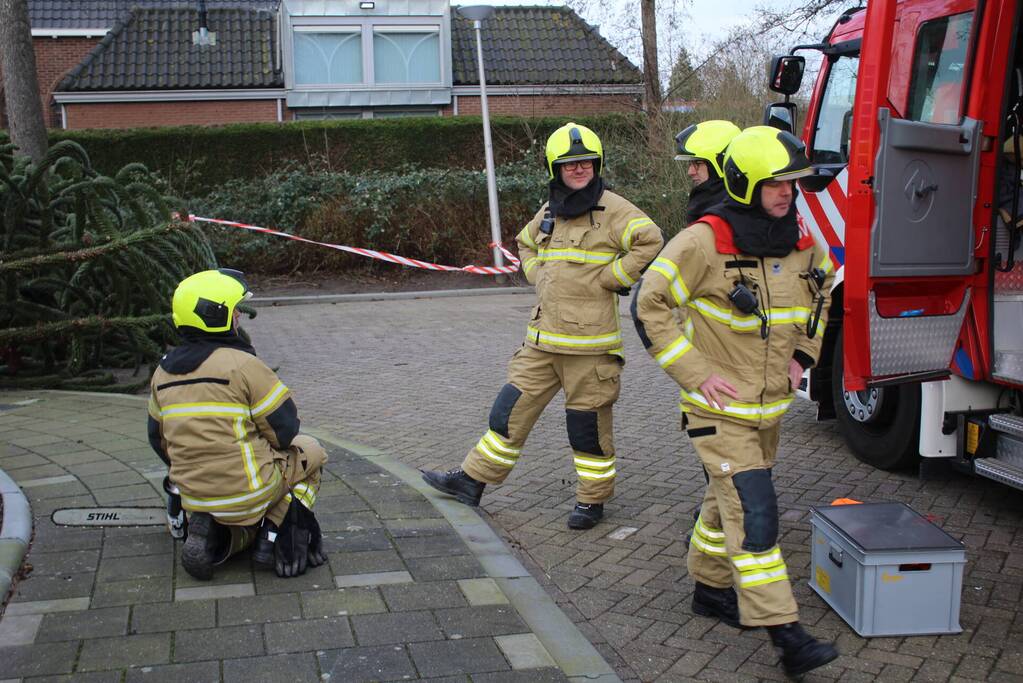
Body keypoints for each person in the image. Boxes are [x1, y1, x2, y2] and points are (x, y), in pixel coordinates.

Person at [632, 126, 838, 677]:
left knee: (726, 502)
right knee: (755, 512)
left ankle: (708, 587)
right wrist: (693, 372)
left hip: (768, 411)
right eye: (776, 184)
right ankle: (787, 635)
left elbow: (821, 298)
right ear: (745, 182)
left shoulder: (799, 243)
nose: (787, 194)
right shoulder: (703, 241)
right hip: (717, 412)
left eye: (793, 184)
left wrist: (805, 360)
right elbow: (649, 304)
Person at [421, 122, 663, 529]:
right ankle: (472, 480)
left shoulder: (615, 209)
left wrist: (615, 278)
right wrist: (537, 273)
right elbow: (525, 242)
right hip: (541, 344)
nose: (579, 169)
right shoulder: (551, 209)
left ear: (597, 163)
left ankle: (592, 500)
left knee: (587, 429)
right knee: (507, 414)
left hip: (590, 348)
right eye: (570, 164)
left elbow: (650, 239)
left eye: (585, 162)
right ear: (556, 169)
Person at [147, 269, 329, 580]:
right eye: (234, 312)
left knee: (234, 516)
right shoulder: (243, 365)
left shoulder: (162, 374)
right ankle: (272, 532)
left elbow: (157, 439)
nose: (238, 320)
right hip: (249, 492)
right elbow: (285, 431)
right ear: (216, 316)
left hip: (192, 494)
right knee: (312, 451)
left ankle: (215, 535)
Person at [674, 120, 741, 224]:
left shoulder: (726, 214)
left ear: (722, 162)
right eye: (691, 164)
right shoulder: (706, 203)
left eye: (698, 163)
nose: (690, 172)